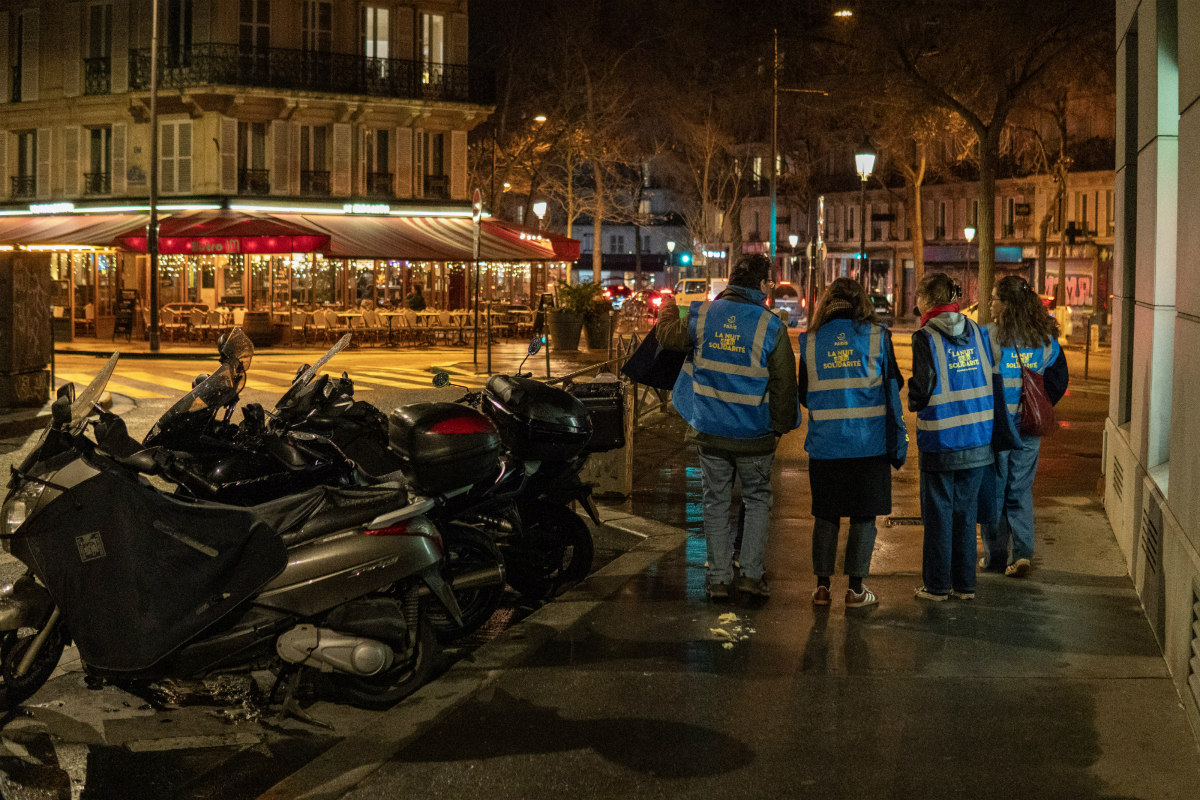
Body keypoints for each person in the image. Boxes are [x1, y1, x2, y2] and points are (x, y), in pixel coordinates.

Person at [656, 254, 798, 602]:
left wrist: (667, 309)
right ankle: (751, 576)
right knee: (757, 500)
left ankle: (718, 579)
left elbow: (669, 338)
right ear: (762, 286)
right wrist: (778, 428)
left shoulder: (702, 316)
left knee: (715, 502)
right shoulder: (771, 326)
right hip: (755, 434)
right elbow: (784, 385)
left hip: (711, 431)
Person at [799, 278, 906, 609]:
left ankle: (821, 588)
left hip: (825, 445)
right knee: (863, 515)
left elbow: (804, 393)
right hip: (868, 444)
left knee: (826, 514)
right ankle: (856, 590)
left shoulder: (812, 341)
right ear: (862, 303)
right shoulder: (877, 337)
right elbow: (895, 383)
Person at [908, 272, 996, 602]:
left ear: (927, 301)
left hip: (941, 442)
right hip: (977, 440)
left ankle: (937, 586)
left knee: (939, 517)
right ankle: (965, 586)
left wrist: (913, 398)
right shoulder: (977, 331)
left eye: (918, 298)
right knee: (965, 516)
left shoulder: (926, 337)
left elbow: (923, 387)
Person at [978, 276, 1069, 577]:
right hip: (1029, 423)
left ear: (1007, 304)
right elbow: (1058, 379)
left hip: (997, 424)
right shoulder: (1046, 339)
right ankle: (1022, 554)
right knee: (1020, 488)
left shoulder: (988, 336)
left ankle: (994, 555)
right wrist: (1040, 405)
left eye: (994, 298)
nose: (990, 303)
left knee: (995, 488)